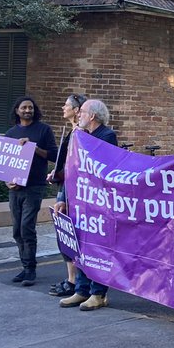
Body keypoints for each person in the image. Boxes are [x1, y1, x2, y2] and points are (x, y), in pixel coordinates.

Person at [57, 99, 119, 311]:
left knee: (97, 249)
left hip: (97, 203)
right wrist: (62, 199)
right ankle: (81, 290)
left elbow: (103, 169)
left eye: (82, 112)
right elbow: (72, 170)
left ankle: (98, 294)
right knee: (80, 247)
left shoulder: (107, 136)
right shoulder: (79, 136)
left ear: (92, 116)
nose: (78, 115)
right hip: (79, 201)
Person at [5, 96, 56, 287]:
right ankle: (24, 265)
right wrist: (7, 182)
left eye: (30, 107)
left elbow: (53, 155)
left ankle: (30, 269)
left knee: (27, 226)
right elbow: (5, 162)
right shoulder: (11, 133)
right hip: (15, 188)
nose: (28, 110)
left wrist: (34, 148)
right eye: (24, 107)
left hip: (34, 186)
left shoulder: (43, 130)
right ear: (17, 110)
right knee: (17, 230)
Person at [49, 94, 86, 298]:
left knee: (72, 233)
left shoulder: (80, 134)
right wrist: (55, 173)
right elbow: (65, 164)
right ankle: (71, 279)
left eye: (67, 106)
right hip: (64, 185)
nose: (63, 108)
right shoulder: (71, 131)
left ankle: (75, 281)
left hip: (72, 191)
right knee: (64, 233)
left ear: (77, 110)